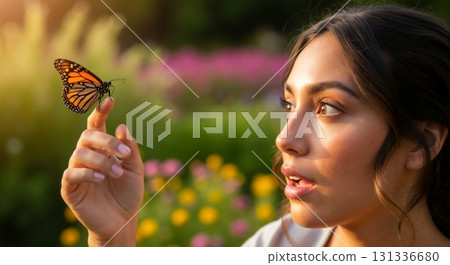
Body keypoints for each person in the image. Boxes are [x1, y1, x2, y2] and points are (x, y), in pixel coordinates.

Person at [61, 5, 450, 247]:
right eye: (288, 104)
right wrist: (113, 239)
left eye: (328, 107)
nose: (286, 138)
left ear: (422, 143)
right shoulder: (272, 245)